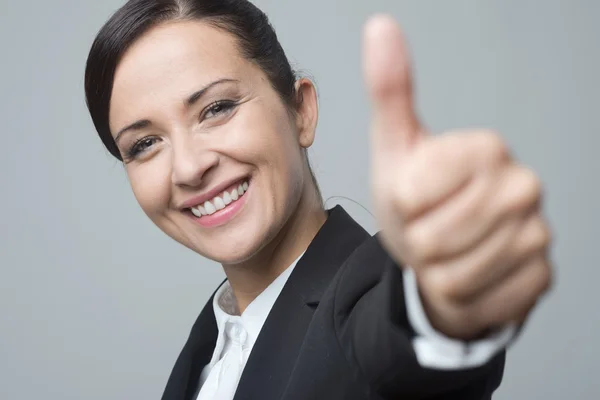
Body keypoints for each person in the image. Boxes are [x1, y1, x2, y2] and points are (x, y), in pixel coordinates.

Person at [84, 1, 553, 399]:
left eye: (217, 108)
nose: (188, 168)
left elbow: (397, 348)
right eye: (144, 144)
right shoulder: (210, 343)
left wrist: (440, 309)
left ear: (301, 111)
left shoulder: (366, 296)